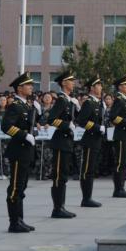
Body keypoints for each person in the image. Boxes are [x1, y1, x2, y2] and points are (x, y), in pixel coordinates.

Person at [1, 72, 38, 232]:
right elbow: (6, 126)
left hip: (26, 151)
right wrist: (24, 135)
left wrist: (33, 132)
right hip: (18, 151)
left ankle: (20, 219)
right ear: (19, 88)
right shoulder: (15, 106)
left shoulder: (27, 106)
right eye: (28, 85)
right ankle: (14, 222)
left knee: (22, 186)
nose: (31, 87)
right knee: (15, 187)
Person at [47, 70, 77, 218]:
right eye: (71, 81)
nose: (73, 83)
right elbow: (51, 119)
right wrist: (67, 125)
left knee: (63, 175)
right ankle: (57, 208)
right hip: (60, 142)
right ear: (64, 83)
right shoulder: (61, 100)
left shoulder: (68, 100)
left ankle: (61, 206)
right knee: (59, 176)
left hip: (66, 142)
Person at [75, 75, 105, 207]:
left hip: (96, 140)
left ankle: (88, 197)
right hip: (90, 140)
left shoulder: (98, 103)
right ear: (92, 88)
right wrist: (97, 127)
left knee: (91, 170)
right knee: (87, 170)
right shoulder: (89, 103)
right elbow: (81, 121)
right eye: (98, 85)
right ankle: (86, 198)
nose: (101, 87)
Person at [109, 76, 126, 198]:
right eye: (125, 85)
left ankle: (121, 188)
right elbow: (113, 117)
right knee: (120, 162)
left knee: (124, 162)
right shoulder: (119, 100)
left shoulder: (125, 100)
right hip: (120, 134)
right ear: (120, 87)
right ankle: (118, 189)